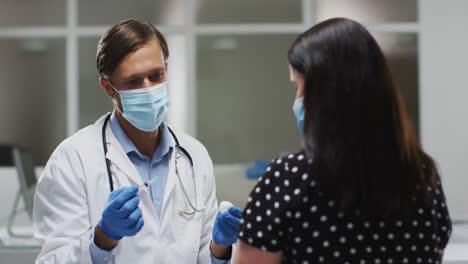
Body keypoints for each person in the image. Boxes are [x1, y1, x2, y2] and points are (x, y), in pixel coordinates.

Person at [235, 18, 452, 264]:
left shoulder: (289, 177)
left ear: (325, 93)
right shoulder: (422, 177)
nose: (297, 100)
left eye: (299, 87)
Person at [33, 19, 241, 263]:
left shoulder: (194, 155)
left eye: (156, 75)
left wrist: (221, 248)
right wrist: (102, 239)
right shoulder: (72, 160)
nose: (148, 88)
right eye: (133, 81)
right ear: (108, 88)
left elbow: (203, 257)